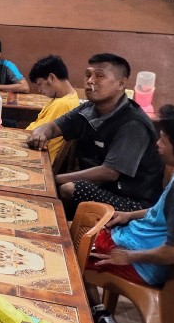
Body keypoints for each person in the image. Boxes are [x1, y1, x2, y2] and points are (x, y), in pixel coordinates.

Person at [84, 105, 174, 323]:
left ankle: (98, 314)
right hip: (136, 241)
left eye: (164, 139)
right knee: (83, 228)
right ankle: (100, 313)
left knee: (71, 247)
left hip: (140, 261)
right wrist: (129, 215)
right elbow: (161, 211)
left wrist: (129, 257)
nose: (157, 143)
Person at [27, 53, 163, 214]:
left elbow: (110, 172)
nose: (90, 81)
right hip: (101, 186)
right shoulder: (89, 109)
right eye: (88, 75)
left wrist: (52, 178)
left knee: (67, 188)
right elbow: (53, 127)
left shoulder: (133, 124)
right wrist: (40, 133)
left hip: (132, 201)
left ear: (121, 84)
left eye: (99, 76)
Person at [26, 55, 80, 161]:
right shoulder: (68, 97)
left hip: (41, 159)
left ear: (51, 78)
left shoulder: (63, 104)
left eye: (39, 84)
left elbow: (33, 136)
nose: (39, 90)